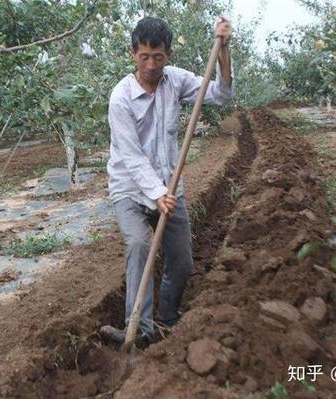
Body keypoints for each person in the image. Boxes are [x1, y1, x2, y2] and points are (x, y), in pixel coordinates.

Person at [100, 16, 235, 346]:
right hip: (131, 189)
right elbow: (131, 158)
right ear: (133, 53)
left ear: (168, 55)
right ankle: (139, 328)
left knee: (181, 259)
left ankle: (169, 314)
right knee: (139, 244)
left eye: (157, 57)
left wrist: (224, 51)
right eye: (144, 56)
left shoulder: (175, 81)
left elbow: (221, 94)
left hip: (170, 188)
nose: (150, 64)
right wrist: (157, 193)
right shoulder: (120, 98)